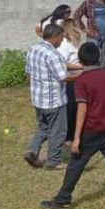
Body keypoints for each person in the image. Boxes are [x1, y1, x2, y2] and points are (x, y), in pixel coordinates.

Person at [41, 42, 105, 209]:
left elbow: (82, 110)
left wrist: (76, 138)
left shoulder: (82, 81)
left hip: (91, 130)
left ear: (80, 60)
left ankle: (62, 200)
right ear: (98, 57)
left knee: (75, 165)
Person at [24, 23, 70, 170]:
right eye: (61, 37)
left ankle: (32, 150)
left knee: (43, 127)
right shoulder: (54, 55)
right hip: (54, 101)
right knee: (58, 131)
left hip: (38, 99)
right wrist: (82, 75)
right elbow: (63, 77)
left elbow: (28, 74)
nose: (62, 41)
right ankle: (53, 161)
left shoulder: (33, 49)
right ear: (55, 37)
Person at [56, 20, 84, 142]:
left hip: (78, 78)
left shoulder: (73, 43)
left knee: (77, 107)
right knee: (71, 108)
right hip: (70, 80)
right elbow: (62, 64)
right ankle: (69, 135)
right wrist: (80, 67)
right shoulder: (64, 45)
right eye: (77, 26)